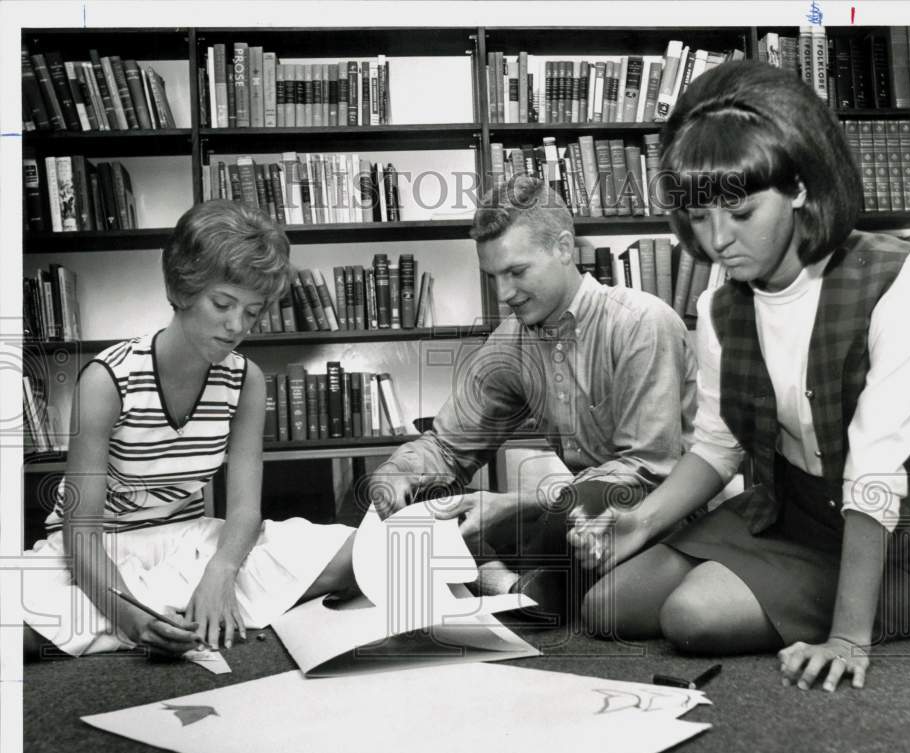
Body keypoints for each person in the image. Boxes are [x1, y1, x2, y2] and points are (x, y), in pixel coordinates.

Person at [572, 61, 910, 690]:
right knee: (607, 608)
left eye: (740, 212)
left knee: (690, 615)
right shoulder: (718, 305)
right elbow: (717, 445)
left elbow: (874, 470)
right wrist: (642, 520)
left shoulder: (903, 276)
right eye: (700, 219)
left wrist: (846, 638)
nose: (718, 241)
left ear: (800, 188)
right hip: (788, 516)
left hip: (902, 539)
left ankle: (864, 604)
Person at [23, 199, 357, 659]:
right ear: (182, 289)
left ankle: (164, 612)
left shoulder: (247, 380)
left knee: (358, 552)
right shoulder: (107, 379)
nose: (237, 325)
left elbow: (244, 513)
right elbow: (82, 534)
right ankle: (161, 614)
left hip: (188, 540)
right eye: (223, 303)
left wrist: (220, 574)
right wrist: (128, 613)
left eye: (253, 312)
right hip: (93, 553)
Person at [367, 174, 697, 619]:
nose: (504, 294)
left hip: (647, 514)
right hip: (573, 511)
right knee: (434, 492)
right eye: (494, 276)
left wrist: (520, 503)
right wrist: (397, 474)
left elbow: (646, 470)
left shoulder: (641, 322)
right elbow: (449, 444)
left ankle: (505, 581)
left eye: (517, 272)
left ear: (563, 248)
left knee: (576, 509)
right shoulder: (511, 341)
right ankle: (518, 585)